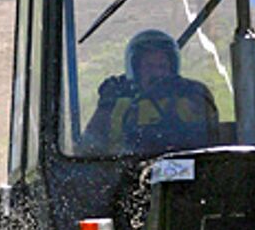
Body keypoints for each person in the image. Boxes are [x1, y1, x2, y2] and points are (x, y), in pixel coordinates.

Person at [84, 29, 219, 154]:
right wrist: (105, 107)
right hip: (125, 173)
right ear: (136, 70)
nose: (157, 73)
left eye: (162, 66)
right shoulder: (116, 102)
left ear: (172, 69)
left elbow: (210, 142)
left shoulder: (192, 96)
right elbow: (89, 146)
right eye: (149, 66)